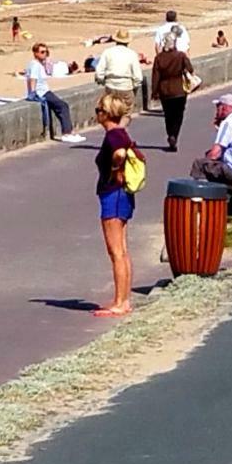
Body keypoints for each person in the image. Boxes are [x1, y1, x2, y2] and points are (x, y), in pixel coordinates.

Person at [93, 93, 139, 317]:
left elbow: (120, 153)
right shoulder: (120, 133)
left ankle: (121, 302)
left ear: (106, 114)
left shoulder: (114, 136)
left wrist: (114, 170)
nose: (96, 114)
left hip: (114, 194)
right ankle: (123, 299)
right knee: (122, 250)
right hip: (121, 195)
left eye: (98, 111)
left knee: (116, 251)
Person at [25, 43, 86, 143]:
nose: (45, 54)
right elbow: (33, 79)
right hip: (42, 93)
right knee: (63, 106)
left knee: (60, 107)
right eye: (42, 52)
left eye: (46, 52)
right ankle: (67, 133)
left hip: (43, 91)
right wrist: (32, 93)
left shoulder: (35, 64)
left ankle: (70, 131)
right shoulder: (36, 65)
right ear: (35, 53)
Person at [150, 32, 194, 151]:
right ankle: (174, 134)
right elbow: (190, 68)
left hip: (165, 91)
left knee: (168, 115)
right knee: (178, 115)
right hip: (179, 89)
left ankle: (170, 134)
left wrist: (154, 92)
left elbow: (155, 76)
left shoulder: (159, 58)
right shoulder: (180, 56)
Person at [94, 28, 143, 112]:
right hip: (126, 87)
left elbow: (99, 72)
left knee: (111, 112)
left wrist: (103, 82)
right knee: (126, 113)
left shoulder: (107, 52)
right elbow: (138, 77)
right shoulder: (132, 54)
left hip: (110, 86)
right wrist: (133, 87)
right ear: (127, 41)